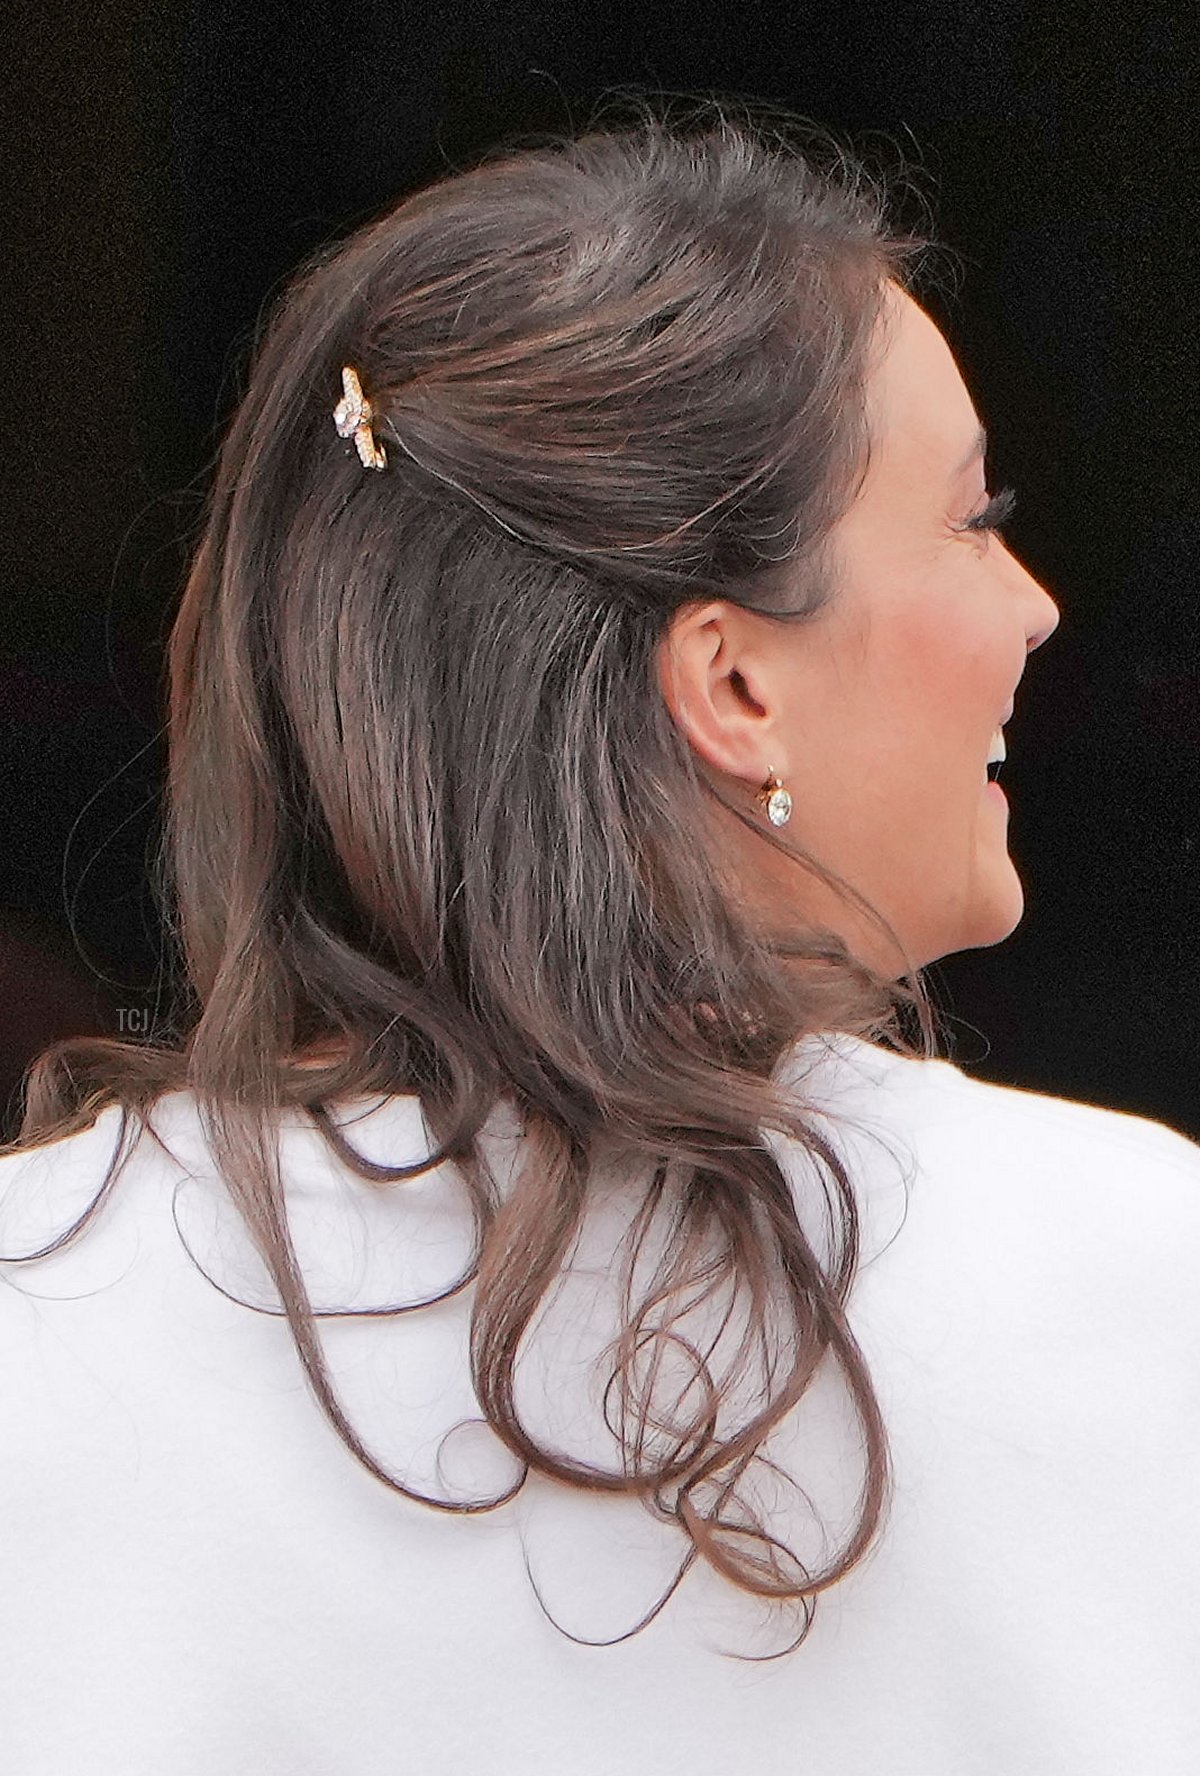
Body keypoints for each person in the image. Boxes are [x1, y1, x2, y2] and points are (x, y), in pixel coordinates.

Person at [3, 97, 1199, 1775]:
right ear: (730, 683)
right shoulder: (1131, 1269)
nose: (1037, 606)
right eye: (973, 520)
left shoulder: (47, 1287)